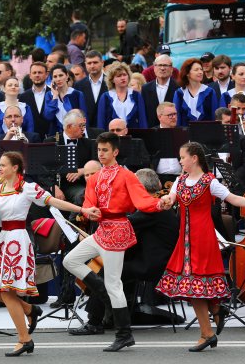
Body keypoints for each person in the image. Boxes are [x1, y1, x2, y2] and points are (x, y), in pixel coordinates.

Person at [0, 151, 99, 355]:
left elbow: (54, 202)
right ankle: (28, 310)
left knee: (6, 292)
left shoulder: (28, 188)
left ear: (15, 167)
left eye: (3, 165)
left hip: (18, 241)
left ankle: (24, 339)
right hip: (4, 240)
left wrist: (82, 210)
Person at [156, 142, 245, 351]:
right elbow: (171, 197)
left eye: (183, 157)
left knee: (194, 286)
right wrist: (165, 201)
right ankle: (214, 312)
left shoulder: (209, 182)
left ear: (194, 158)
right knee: (190, 287)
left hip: (203, 238)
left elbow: (234, 199)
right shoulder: (180, 180)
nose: (180, 161)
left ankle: (207, 333)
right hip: (185, 238)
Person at [63, 132, 170, 352]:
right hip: (103, 230)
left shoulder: (126, 175)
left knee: (114, 283)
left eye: (105, 150)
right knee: (70, 260)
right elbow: (90, 201)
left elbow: (143, 201)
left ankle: (124, 334)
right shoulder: (94, 177)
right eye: (99, 150)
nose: (101, 154)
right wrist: (90, 211)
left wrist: (159, 204)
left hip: (118, 229)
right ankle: (103, 295)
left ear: (115, 152)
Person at [96, 61, 147, 129]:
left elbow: (142, 120)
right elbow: (101, 123)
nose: (123, 78)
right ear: (112, 80)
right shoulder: (105, 97)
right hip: (112, 137)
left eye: (124, 75)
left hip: (134, 137)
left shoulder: (136, 96)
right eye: (119, 76)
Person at [173, 58, 217, 126]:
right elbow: (177, 117)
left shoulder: (210, 92)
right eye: (196, 70)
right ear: (187, 73)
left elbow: (214, 116)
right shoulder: (179, 93)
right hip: (185, 134)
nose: (200, 72)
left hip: (207, 133)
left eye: (201, 69)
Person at [44, 63, 87, 134]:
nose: (58, 79)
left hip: (75, 133)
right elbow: (48, 116)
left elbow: (84, 117)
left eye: (61, 75)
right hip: (56, 134)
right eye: (55, 76)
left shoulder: (77, 94)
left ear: (67, 76)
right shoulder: (49, 95)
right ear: (52, 79)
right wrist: (55, 97)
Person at [19, 61, 51, 139]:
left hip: (51, 138)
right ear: (30, 75)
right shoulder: (22, 97)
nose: (37, 75)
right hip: (30, 139)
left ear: (46, 75)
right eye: (34, 73)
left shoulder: (54, 94)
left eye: (40, 72)